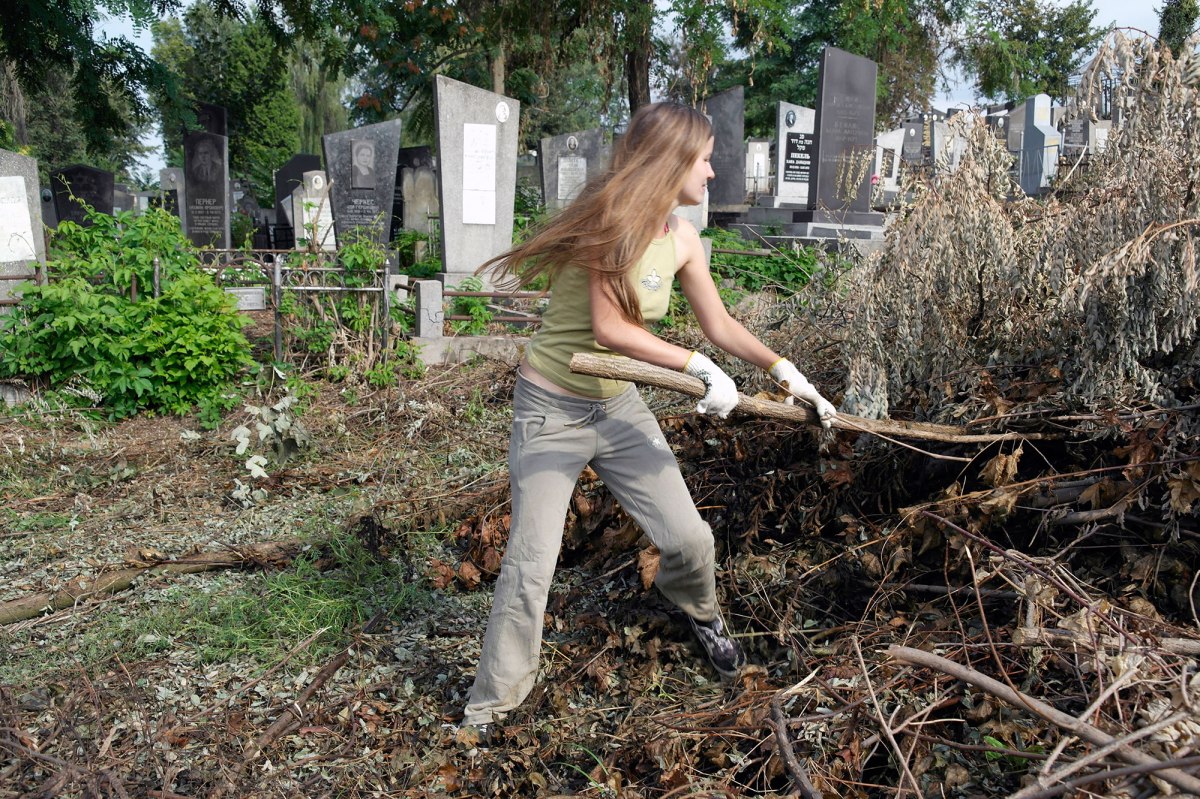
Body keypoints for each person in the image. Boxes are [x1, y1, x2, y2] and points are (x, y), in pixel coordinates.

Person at [460, 102, 837, 741]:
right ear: (671, 162)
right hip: (551, 409)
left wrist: (784, 370)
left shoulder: (684, 237)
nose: (713, 172)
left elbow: (719, 325)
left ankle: (701, 613)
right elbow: (608, 329)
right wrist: (697, 367)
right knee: (531, 563)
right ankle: (491, 708)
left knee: (691, 542)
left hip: (619, 405)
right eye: (705, 159)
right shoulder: (608, 224)